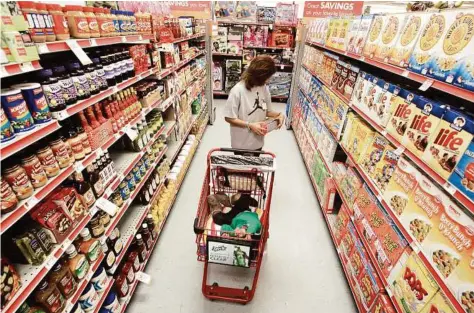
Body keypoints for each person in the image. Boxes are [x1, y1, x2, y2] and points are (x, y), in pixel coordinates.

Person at [224, 55, 284, 151]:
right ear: (259, 75)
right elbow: (229, 117)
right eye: (267, 77)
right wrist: (250, 125)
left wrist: (279, 115)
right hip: (241, 143)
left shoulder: (263, 87)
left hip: (258, 140)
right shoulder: (237, 91)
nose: (268, 80)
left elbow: (266, 111)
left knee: (255, 164)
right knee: (242, 165)